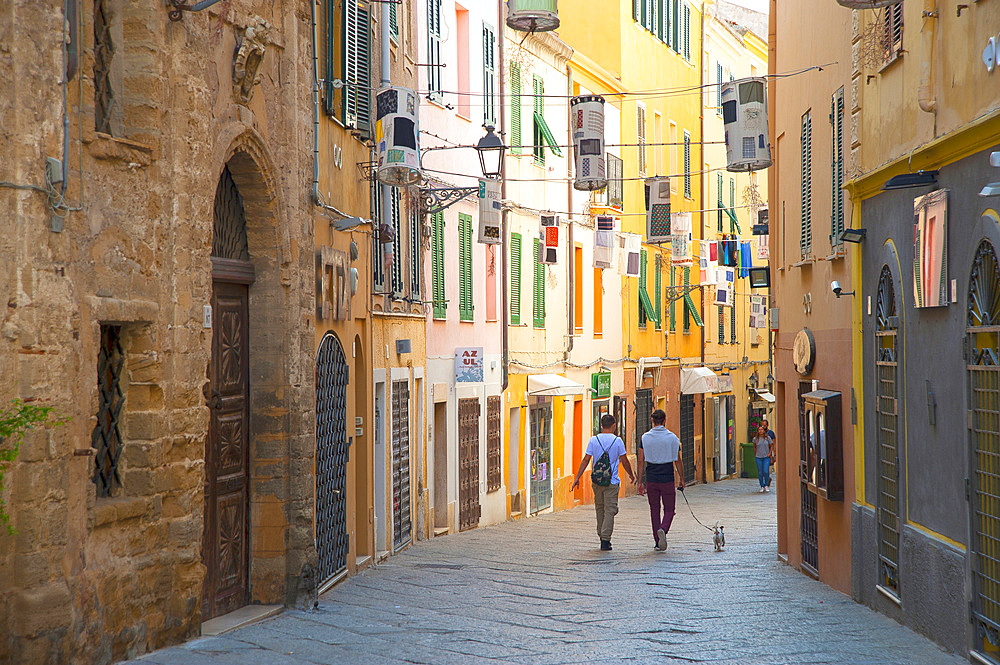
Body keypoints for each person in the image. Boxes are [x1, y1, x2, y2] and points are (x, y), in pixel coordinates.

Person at [570, 414, 635, 551]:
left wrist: (577, 477)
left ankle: (601, 534)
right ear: (613, 425)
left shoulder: (594, 440)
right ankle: (605, 539)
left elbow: (586, 460)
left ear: (601, 425)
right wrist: (631, 474)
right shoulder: (617, 441)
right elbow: (624, 460)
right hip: (612, 481)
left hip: (597, 481)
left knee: (600, 508)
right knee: (610, 510)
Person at [637, 409, 685, 551]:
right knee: (670, 509)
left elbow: (640, 460)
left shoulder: (645, 438)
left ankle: (658, 542)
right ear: (665, 420)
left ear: (652, 421)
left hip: (651, 477)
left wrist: (640, 481)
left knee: (654, 509)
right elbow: (678, 460)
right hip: (667, 476)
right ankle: (663, 529)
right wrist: (682, 478)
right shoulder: (672, 438)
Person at [753, 424, 775, 493]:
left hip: (766, 457)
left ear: (764, 431)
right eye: (759, 430)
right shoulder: (755, 439)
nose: (760, 431)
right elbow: (754, 447)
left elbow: (772, 445)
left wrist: (770, 453)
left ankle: (766, 485)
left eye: (762, 429)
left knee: (766, 471)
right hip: (758, 457)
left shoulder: (768, 438)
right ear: (758, 431)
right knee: (760, 472)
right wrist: (756, 454)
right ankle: (762, 486)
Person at [762, 419, 777, 488]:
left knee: (765, 469)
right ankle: (767, 479)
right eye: (762, 425)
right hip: (761, 453)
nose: (763, 427)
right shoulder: (759, 433)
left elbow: (774, 444)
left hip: (768, 453)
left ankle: (767, 480)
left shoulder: (771, 433)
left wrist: (775, 455)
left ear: (767, 425)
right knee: (761, 470)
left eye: (764, 425)